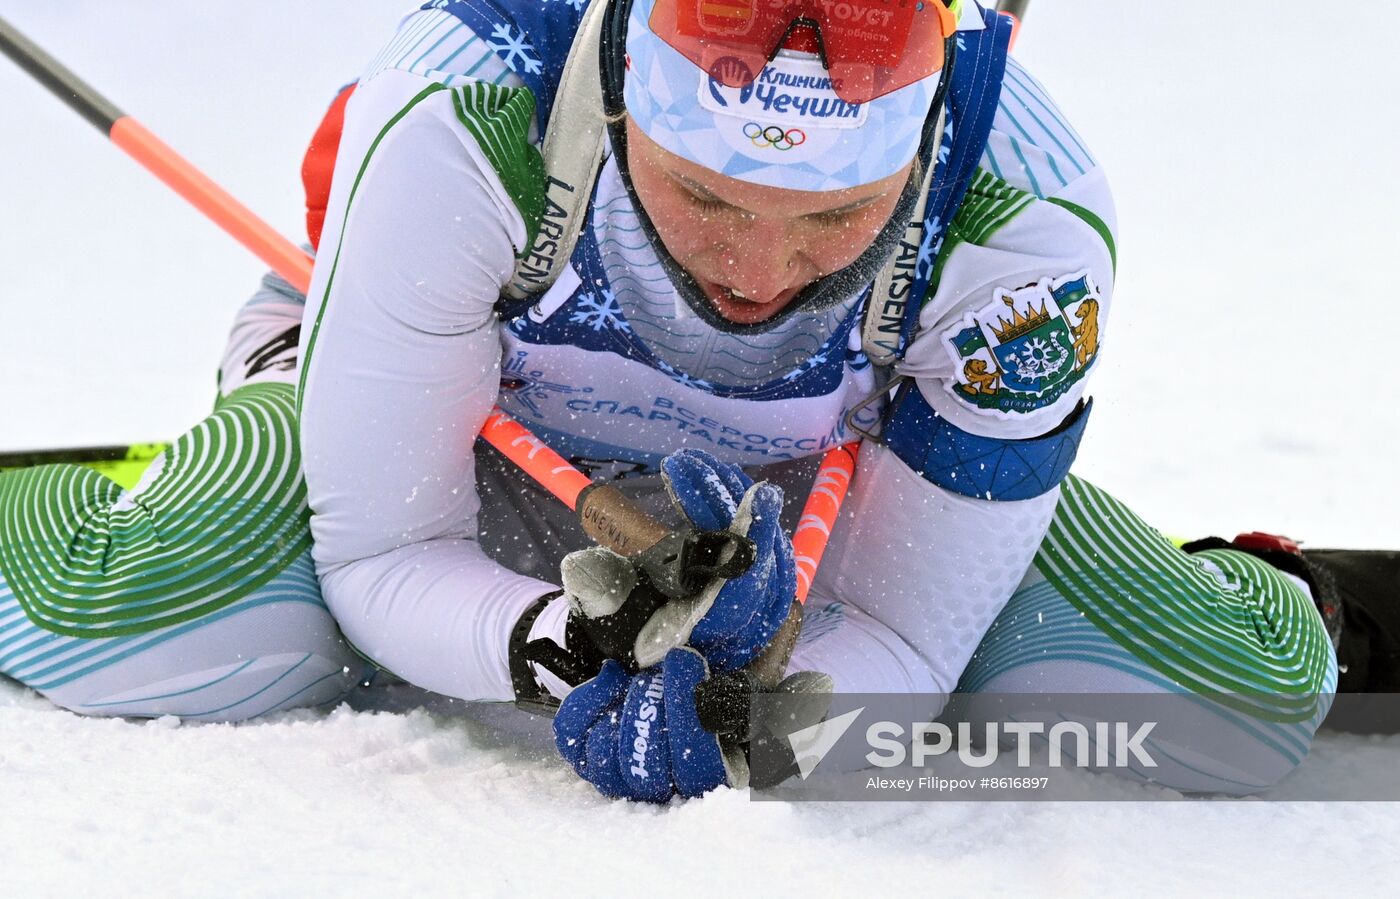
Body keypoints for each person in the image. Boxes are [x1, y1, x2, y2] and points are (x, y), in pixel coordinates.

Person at [0, 0, 1377, 799]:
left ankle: (1266, 593)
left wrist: (775, 713)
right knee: (170, 633)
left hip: (812, 507)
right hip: (461, 434)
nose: (758, 271)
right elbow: (389, 553)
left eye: (837, 215)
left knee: (1234, 715)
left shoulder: (1026, 220)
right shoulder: (474, 103)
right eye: (705, 195)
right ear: (625, 103)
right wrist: (551, 642)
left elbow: (900, 633)